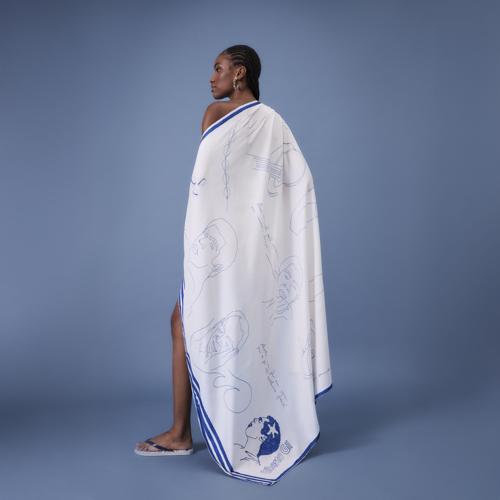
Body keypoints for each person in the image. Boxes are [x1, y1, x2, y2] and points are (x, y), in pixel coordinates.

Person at [135, 44, 332, 486]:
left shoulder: (229, 116)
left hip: (237, 253)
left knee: (192, 324)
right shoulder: (265, 121)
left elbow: (216, 188)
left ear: (239, 73)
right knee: (190, 324)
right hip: (241, 252)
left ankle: (182, 433)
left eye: (218, 68)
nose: (212, 77)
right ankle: (191, 429)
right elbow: (240, 186)